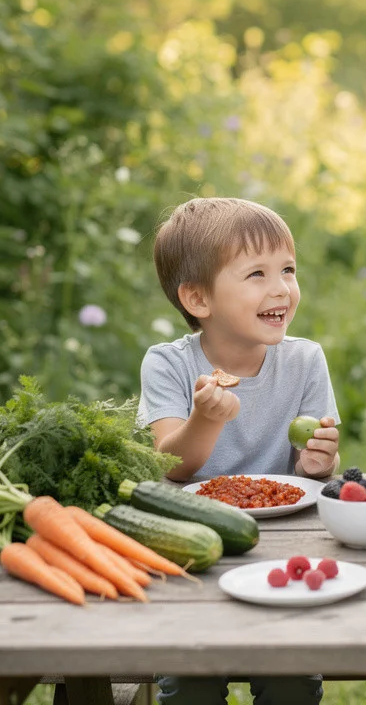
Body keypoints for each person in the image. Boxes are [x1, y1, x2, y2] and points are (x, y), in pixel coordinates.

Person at [139, 197, 337, 705]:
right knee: (192, 682)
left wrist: (317, 463)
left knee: (292, 680)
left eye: (288, 269)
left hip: (284, 542)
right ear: (198, 299)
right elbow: (173, 464)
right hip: (194, 548)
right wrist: (205, 419)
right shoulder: (168, 365)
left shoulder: (304, 360)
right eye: (257, 274)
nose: (282, 288)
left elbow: (308, 474)